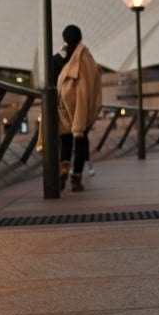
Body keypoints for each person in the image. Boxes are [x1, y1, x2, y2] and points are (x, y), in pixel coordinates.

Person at [56, 24, 102, 192]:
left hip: (65, 107)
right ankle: (76, 179)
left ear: (64, 39)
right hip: (82, 106)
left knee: (66, 141)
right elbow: (94, 81)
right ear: (80, 37)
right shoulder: (87, 58)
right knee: (81, 141)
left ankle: (63, 172)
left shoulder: (60, 58)